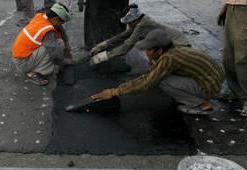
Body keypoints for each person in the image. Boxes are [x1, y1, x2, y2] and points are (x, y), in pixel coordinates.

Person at [91, 29, 225, 115]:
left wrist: (114, 92)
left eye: (149, 50)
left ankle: (199, 104)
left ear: (160, 50)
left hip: (209, 87)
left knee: (162, 81)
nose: (146, 53)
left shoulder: (169, 58)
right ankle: (200, 97)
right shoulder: (175, 49)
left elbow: (147, 81)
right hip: (214, 79)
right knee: (159, 74)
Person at [89, 4, 190, 65]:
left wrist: (102, 57)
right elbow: (123, 36)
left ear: (135, 20)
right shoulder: (138, 22)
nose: (129, 25)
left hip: (179, 44)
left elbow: (127, 46)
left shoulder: (143, 25)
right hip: (166, 41)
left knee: (160, 65)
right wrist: (103, 45)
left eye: (129, 23)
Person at [12, 3, 74, 86]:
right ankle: (33, 73)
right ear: (55, 19)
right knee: (53, 48)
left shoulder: (41, 16)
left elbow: (60, 28)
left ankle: (35, 66)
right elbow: (54, 54)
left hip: (20, 57)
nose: (61, 25)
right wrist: (64, 61)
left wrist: (66, 42)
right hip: (23, 63)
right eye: (61, 23)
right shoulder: (47, 30)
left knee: (58, 43)